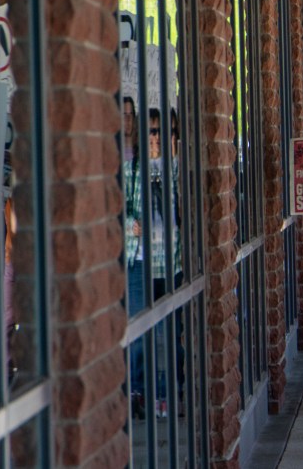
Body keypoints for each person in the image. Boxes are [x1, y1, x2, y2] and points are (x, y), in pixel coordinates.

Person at [124, 108, 180, 418]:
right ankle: (139, 391)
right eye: (153, 131)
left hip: (173, 260)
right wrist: (131, 223)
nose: (158, 138)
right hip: (140, 260)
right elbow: (117, 210)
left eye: (166, 132)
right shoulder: (131, 169)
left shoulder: (180, 169)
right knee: (139, 330)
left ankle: (166, 392)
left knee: (170, 334)